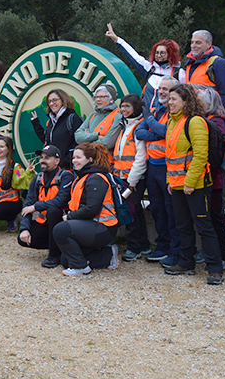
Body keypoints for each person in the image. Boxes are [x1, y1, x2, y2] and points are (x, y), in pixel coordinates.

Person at [163, 84, 223, 285]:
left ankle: (215, 269)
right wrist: (170, 181)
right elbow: (170, 157)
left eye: (174, 99)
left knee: (204, 226)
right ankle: (186, 262)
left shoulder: (195, 122)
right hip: (178, 184)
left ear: (186, 102)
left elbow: (200, 156)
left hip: (195, 185)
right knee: (183, 226)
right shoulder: (172, 122)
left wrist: (189, 182)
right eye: (169, 99)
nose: (169, 102)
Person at [53, 143, 120, 276]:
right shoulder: (82, 176)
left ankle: (81, 267)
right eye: (73, 157)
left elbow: (92, 209)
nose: (74, 161)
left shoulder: (96, 178)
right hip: (90, 225)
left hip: (103, 228)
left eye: (78, 158)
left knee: (60, 229)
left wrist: (70, 217)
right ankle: (108, 254)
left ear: (90, 160)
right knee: (65, 260)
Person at [135, 76, 181, 265]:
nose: (161, 92)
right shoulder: (156, 110)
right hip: (153, 166)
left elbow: (166, 132)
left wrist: (150, 123)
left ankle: (175, 250)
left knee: (172, 210)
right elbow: (139, 131)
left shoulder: (175, 112)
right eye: (160, 88)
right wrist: (156, 130)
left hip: (168, 168)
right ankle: (162, 246)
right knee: (157, 209)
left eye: (166, 89)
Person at [18, 145, 75, 267]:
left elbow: (60, 201)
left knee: (53, 211)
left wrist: (36, 206)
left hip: (62, 223)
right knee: (22, 239)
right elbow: (28, 204)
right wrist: (24, 229)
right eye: (41, 157)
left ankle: (54, 255)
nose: (42, 160)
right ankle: (57, 246)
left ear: (57, 161)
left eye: (47, 158)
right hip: (44, 223)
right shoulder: (37, 178)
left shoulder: (65, 176)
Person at [196, 87, 225, 270]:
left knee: (216, 217)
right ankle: (212, 251)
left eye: (201, 100)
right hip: (209, 177)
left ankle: (223, 255)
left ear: (210, 103)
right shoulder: (208, 120)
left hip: (215, 178)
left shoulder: (217, 122)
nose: (198, 103)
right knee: (209, 216)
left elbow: (217, 149)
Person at [105, 23, 181, 108]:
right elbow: (133, 56)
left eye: (162, 53)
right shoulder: (150, 68)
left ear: (170, 54)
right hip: (146, 116)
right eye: (157, 52)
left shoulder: (178, 73)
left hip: (166, 118)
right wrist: (117, 39)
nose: (159, 56)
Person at [113, 94, 150, 261]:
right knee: (136, 213)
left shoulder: (138, 127)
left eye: (127, 106)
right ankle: (143, 245)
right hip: (122, 178)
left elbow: (141, 158)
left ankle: (133, 247)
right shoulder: (124, 126)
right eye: (122, 106)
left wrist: (131, 181)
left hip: (133, 180)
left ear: (136, 107)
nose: (124, 110)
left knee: (130, 213)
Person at [30, 89, 82, 169]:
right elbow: (46, 139)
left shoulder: (72, 118)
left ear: (63, 100)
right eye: (49, 101)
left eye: (55, 100)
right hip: (53, 168)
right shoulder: (51, 121)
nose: (52, 103)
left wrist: (67, 159)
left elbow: (79, 142)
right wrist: (36, 123)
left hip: (67, 169)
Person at [182, 30, 225, 109]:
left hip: (210, 114)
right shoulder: (189, 64)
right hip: (192, 112)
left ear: (209, 44)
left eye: (198, 43)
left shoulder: (218, 63)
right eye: (192, 42)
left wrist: (222, 116)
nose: (193, 46)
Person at [74, 85, 121, 152]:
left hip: (106, 160)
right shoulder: (92, 116)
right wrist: (96, 136)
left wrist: (87, 141)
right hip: (89, 159)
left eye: (102, 97)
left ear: (111, 99)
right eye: (96, 97)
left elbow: (108, 142)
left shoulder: (117, 116)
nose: (98, 99)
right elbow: (78, 137)